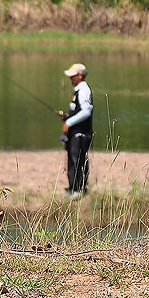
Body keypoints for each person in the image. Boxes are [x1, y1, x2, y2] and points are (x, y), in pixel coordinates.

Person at [60, 63, 94, 197]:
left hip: (80, 134)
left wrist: (69, 122)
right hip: (74, 134)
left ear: (80, 76)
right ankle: (72, 188)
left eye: (72, 76)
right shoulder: (78, 90)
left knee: (78, 160)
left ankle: (79, 190)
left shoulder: (84, 90)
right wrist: (68, 117)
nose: (70, 79)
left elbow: (87, 111)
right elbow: (79, 111)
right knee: (72, 160)